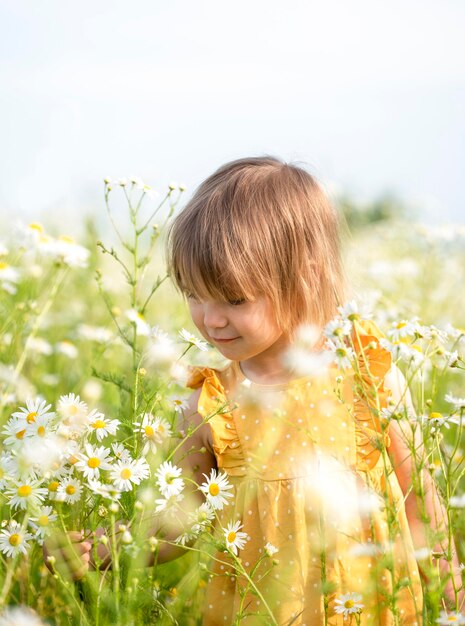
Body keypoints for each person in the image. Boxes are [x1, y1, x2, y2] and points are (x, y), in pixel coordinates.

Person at [45, 157, 462, 625]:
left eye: (234, 298)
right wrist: (111, 546)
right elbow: (181, 520)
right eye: (194, 294)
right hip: (259, 611)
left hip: (368, 607)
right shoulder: (211, 404)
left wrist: (450, 595)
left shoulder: (368, 377)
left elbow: (418, 501)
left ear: (304, 274)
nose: (211, 318)